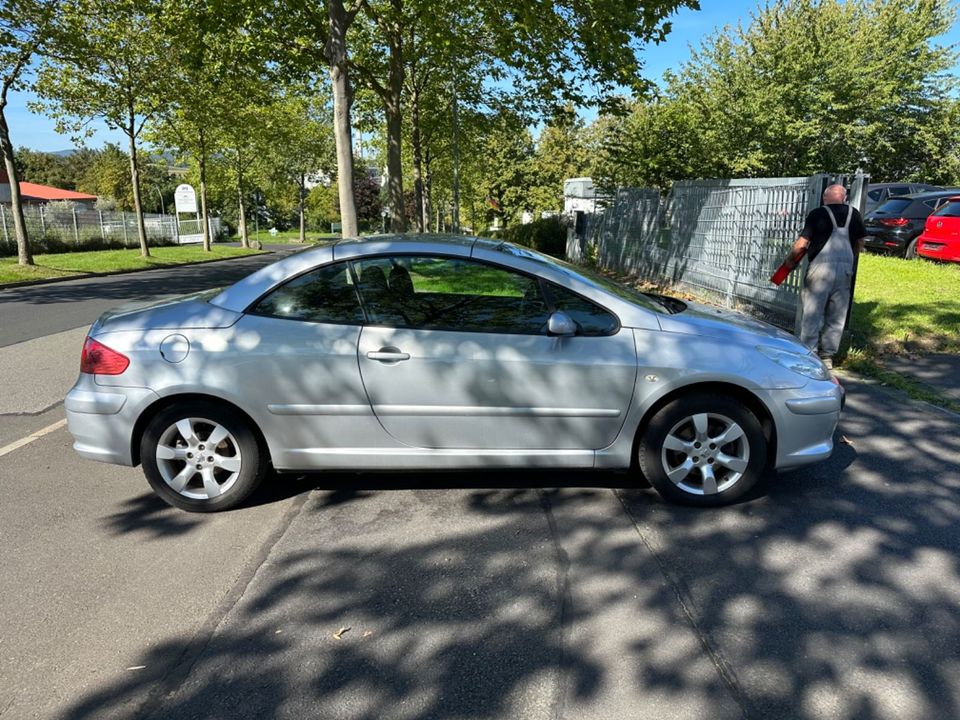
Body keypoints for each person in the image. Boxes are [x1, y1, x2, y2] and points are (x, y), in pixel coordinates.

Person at [778, 184, 866, 369]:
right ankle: (827, 357)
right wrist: (850, 259)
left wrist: (788, 262)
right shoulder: (855, 214)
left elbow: (802, 244)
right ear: (843, 198)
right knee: (837, 314)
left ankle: (808, 353)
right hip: (845, 271)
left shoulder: (818, 214)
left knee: (812, 312)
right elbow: (860, 242)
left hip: (820, 269)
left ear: (825, 198)